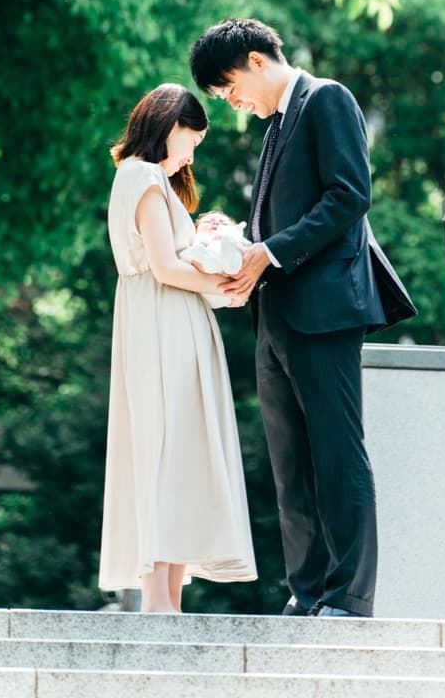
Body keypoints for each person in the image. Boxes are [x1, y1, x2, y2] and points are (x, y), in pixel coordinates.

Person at [189, 19, 415, 619]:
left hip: (325, 310)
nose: (231, 102)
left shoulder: (327, 99)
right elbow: (279, 221)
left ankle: (348, 597)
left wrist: (272, 252)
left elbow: (349, 196)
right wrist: (238, 244)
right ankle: (307, 591)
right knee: (290, 467)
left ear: (257, 60)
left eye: (228, 87)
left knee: (338, 454)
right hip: (274, 315)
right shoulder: (274, 129)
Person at [98, 83, 257, 613]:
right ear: (168, 127)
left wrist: (205, 241)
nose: (191, 154)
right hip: (163, 323)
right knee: (168, 447)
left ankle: (165, 596)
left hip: (164, 320)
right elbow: (165, 268)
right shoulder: (142, 176)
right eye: (191, 140)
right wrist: (225, 284)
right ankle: (157, 599)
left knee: (170, 450)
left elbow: (171, 257)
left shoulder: (148, 183)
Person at [181, 210, 251, 286]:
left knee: (237, 255)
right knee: (199, 256)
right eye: (207, 222)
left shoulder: (235, 236)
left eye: (224, 223)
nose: (216, 223)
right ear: (196, 228)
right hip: (209, 259)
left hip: (232, 256)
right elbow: (192, 250)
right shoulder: (200, 236)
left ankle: (230, 262)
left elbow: (247, 248)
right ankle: (210, 261)